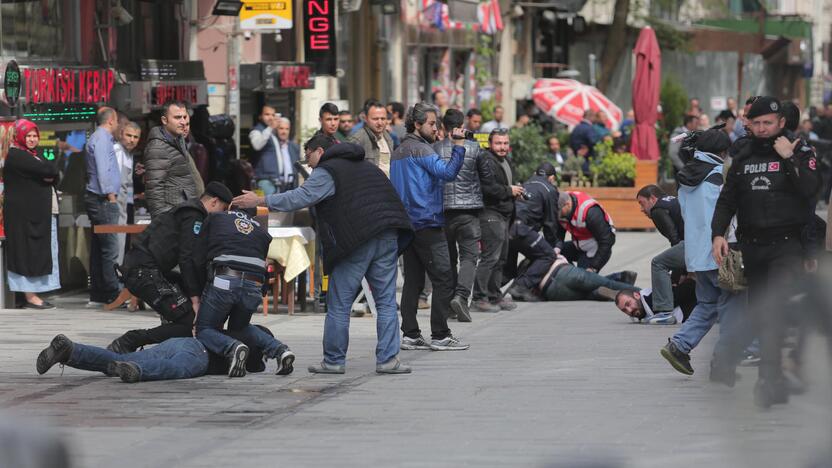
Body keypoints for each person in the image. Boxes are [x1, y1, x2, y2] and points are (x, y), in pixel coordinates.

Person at [233, 137, 414, 373]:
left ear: (320, 151)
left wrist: (260, 200)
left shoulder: (328, 169)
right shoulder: (366, 165)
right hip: (389, 233)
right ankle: (389, 360)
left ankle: (334, 360)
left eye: (307, 156)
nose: (308, 164)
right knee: (386, 302)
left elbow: (299, 197)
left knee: (339, 303)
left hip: (358, 239)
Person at [711, 97, 820, 408]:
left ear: (780, 123)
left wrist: (789, 159)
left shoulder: (798, 151)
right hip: (753, 247)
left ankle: (761, 375)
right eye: (755, 123)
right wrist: (717, 233)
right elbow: (727, 199)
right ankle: (769, 378)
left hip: (787, 246)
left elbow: (812, 191)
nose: (761, 129)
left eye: (767, 123)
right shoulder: (742, 155)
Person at [106, 183, 233, 354]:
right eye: (223, 210)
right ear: (214, 202)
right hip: (143, 272)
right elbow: (187, 258)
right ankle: (129, 341)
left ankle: (170, 348)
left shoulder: (187, 210)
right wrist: (195, 299)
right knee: (189, 323)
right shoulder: (194, 215)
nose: (222, 216)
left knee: (187, 307)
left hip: (147, 269)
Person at [660, 129, 745, 379]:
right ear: (721, 152)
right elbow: (727, 216)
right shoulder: (719, 175)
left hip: (697, 254)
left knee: (708, 304)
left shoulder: (685, 177)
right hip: (721, 250)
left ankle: (679, 346)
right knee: (733, 305)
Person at [391, 102, 469, 351]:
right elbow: (447, 173)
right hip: (427, 221)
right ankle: (440, 334)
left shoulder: (400, 150)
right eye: (432, 124)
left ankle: (411, 334)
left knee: (413, 281)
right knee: (444, 278)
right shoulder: (422, 150)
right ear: (417, 124)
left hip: (408, 224)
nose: (436, 128)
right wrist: (458, 146)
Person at [193, 209, 296, 378]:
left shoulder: (216, 217)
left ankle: (232, 347)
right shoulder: (261, 231)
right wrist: (260, 291)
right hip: (254, 282)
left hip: (225, 278)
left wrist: (196, 293)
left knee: (204, 329)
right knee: (240, 328)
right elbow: (263, 264)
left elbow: (198, 255)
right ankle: (280, 350)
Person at [36, 325, 283, 383]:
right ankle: (139, 372)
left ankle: (70, 350)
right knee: (177, 370)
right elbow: (257, 366)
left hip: (182, 342)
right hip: (200, 356)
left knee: (117, 359)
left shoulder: (225, 333)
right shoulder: (248, 354)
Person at [435, 109, 494, 322]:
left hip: (443, 213)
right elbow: (488, 179)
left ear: (443, 127)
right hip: (469, 212)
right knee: (469, 257)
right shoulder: (474, 148)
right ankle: (461, 296)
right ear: (463, 125)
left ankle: (450, 304)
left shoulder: (434, 149)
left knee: (448, 260)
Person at [3, 119, 60, 309]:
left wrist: (48, 174)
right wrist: (47, 175)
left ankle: (30, 295)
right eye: (28, 135)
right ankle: (29, 296)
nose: (32, 139)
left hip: (32, 214)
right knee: (25, 254)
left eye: (35, 135)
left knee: (33, 253)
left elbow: (53, 172)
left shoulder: (32, 155)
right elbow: (49, 169)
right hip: (23, 216)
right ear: (20, 136)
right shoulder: (17, 155)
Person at [473, 128, 524, 312]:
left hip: (504, 214)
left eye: (505, 143)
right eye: (498, 143)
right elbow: (488, 188)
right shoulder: (486, 160)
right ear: (490, 144)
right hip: (490, 213)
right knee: (490, 257)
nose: (502, 147)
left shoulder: (505, 160)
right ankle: (479, 298)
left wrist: (516, 192)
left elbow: (505, 184)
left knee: (501, 258)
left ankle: (494, 295)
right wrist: (509, 191)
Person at [504, 162, 559, 302]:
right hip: (521, 229)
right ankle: (521, 286)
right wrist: (553, 246)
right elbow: (550, 223)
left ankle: (483, 293)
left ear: (535, 173)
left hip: (505, 227)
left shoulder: (525, 184)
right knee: (547, 255)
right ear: (552, 178)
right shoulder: (550, 189)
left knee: (508, 270)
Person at [85, 107, 122, 306]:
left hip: (100, 198)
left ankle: (99, 292)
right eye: (117, 121)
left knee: (101, 247)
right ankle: (112, 292)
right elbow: (103, 169)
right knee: (109, 248)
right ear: (111, 120)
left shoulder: (101, 138)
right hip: (102, 199)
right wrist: (111, 195)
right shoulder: (101, 139)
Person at [145, 100, 204, 218]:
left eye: (184, 117)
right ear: (164, 120)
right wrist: (162, 222)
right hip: (173, 217)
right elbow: (154, 189)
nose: (183, 121)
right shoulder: (158, 146)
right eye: (177, 117)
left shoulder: (178, 140)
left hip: (185, 212)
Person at [636, 185, 686, 319]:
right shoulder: (672, 201)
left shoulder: (657, 210)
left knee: (658, 263)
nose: (641, 209)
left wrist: (676, 275)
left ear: (652, 198)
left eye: (642, 203)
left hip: (693, 244)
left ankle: (664, 312)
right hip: (702, 241)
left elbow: (675, 239)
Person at [556, 191, 616, 273]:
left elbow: (607, 240)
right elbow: (559, 234)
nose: (558, 214)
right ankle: (571, 275)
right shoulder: (562, 203)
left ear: (568, 204)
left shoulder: (590, 212)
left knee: (582, 281)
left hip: (595, 250)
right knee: (552, 255)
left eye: (559, 211)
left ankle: (619, 278)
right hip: (579, 245)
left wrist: (594, 267)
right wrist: (556, 249)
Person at [248, 104, 295, 195]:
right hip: (264, 180)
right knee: (266, 208)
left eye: (273, 115)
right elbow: (257, 145)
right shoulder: (257, 130)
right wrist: (270, 128)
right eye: (267, 114)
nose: (270, 117)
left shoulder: (271, 133)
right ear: (260, 116)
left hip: (274, 181)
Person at [114, 121, 141, 264]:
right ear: (121, 134)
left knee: (122, 242)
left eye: (135, 137)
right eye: (129, 135)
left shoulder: (128, 154)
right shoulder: (118, 152)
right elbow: (116, 184)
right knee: (117, 244)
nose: (132, 140)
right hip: (117, 206)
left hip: (124, 205)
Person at [614, 279, 696, 325]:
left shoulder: (654, 298)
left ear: (637, 295)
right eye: (624, 310)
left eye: (628, 304)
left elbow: (691, 286)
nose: (629, 310)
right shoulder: (643, 310)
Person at [349, 99, 395, 176]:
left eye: (383, 119)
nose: (380, 123)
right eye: (375, 119)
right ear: (365, 118)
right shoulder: (358, 139)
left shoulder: (388, 138)